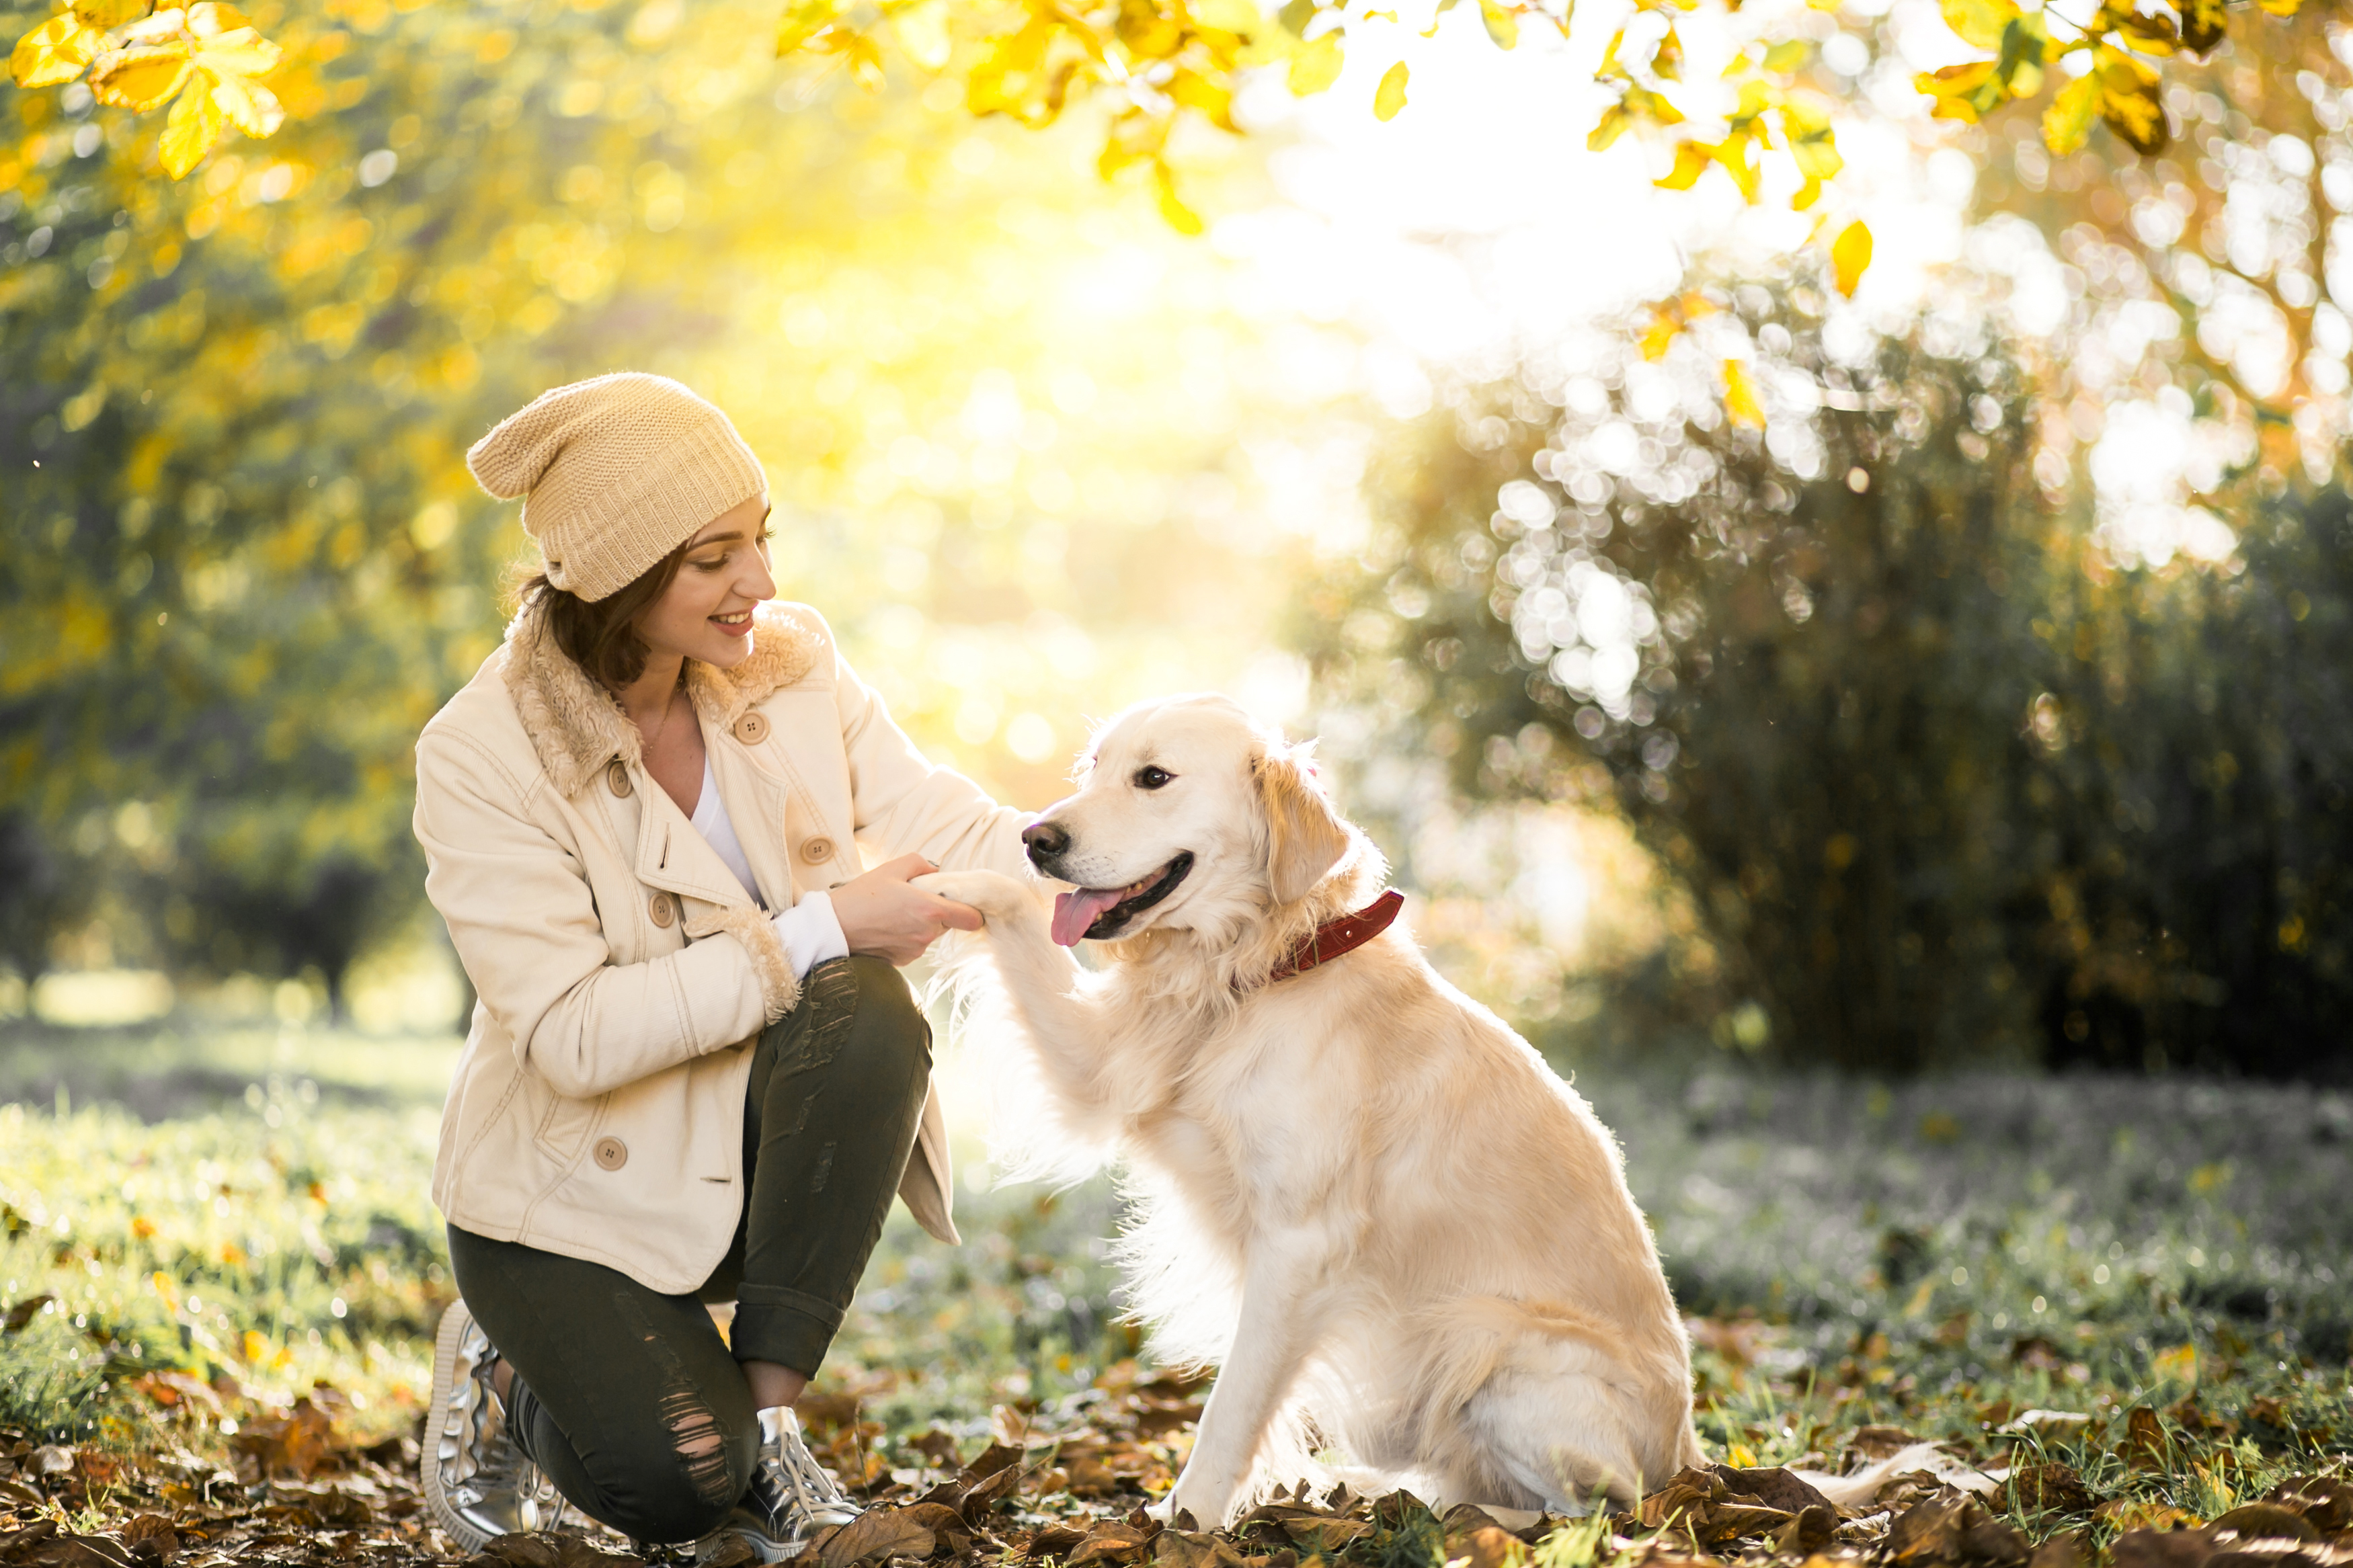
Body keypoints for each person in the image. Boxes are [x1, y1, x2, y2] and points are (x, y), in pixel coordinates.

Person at [411, 373, 1033, 1562]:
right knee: (680, 1485)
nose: (762, 583)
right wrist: (822, 923)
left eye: (762, 540)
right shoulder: (481, 751)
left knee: (865, 1013)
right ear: (617, 571)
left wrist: (1125, 877)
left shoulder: (789, 668)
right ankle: (505, 1366)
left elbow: (945, 820)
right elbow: (573, 1034)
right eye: (715, 557)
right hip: (561, 1196)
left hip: (741, 1145)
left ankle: (772, 1422)